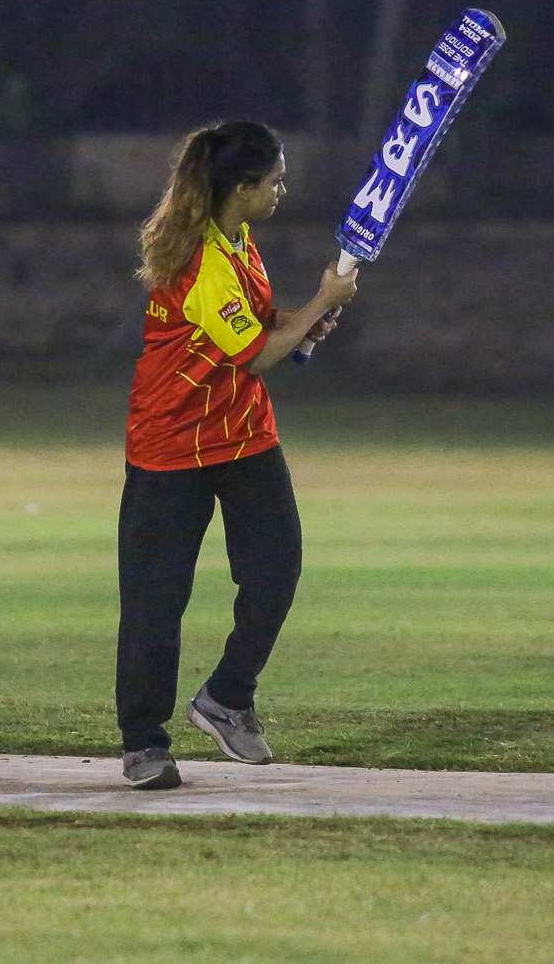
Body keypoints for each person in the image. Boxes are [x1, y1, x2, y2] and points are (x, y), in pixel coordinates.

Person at [117, 120, 358, 789]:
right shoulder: (202, 259)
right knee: (156, 601)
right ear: (241, 187)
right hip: (171, 443)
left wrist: (303, 322)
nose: (283, 190)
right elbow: (253, 355)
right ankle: (143, 743)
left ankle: (226, 697)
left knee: (276, 569)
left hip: (243, 433)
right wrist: (323, 300)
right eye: (274, 181)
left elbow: (258, 327)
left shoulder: (239, 240)